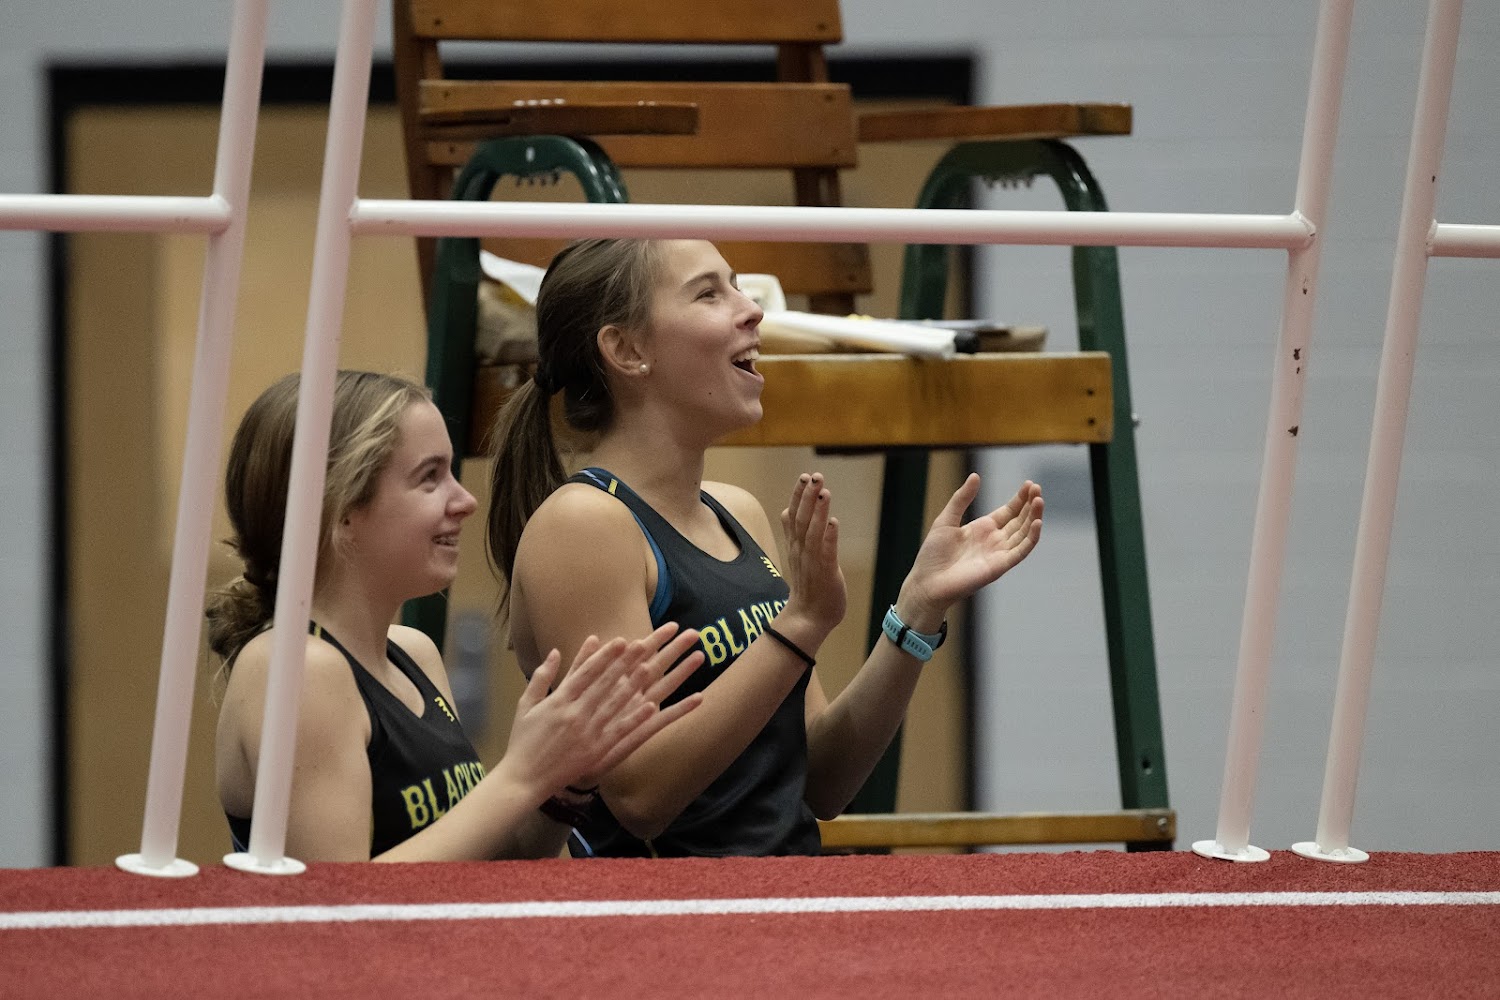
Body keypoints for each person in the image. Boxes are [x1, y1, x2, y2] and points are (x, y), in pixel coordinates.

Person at [487, 238, 1044, 858]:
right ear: (627, 350)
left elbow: (823, 779)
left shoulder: (738, 513)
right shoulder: (584, 524)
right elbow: (639, 796)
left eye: (736, 285)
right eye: (709, 293)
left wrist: (915, 611)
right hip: (669, 911)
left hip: (786, 891)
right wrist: (798, 627)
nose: (751, 308)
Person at [208, 370, 704, 863]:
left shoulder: (413, 654)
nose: (466, 501)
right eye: (430, 477)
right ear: (341, 509)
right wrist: (520, 775)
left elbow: (490, 865)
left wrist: (565, 781)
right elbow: (340, 899)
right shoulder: (296, 667)